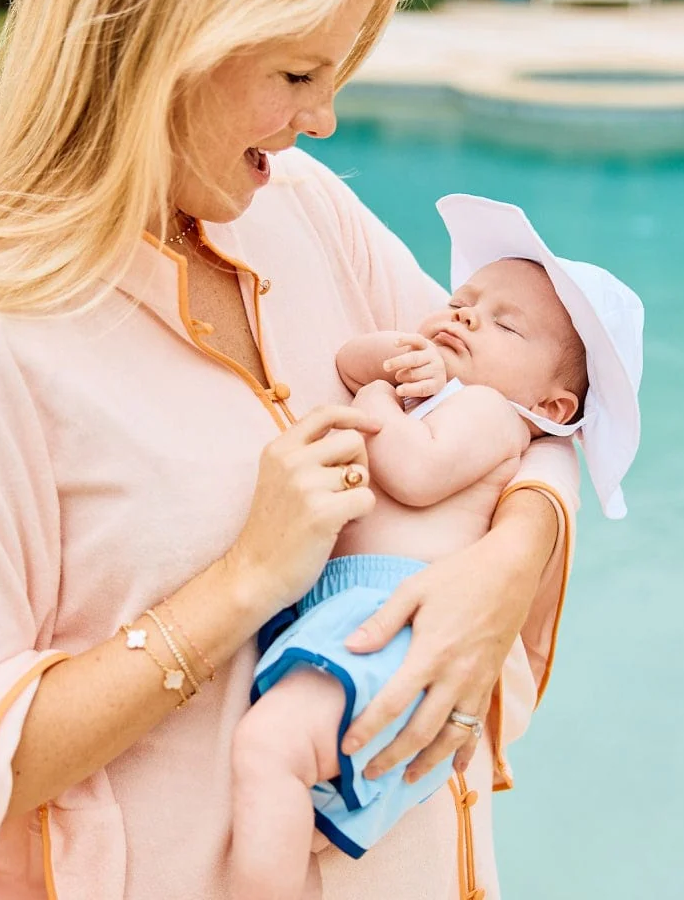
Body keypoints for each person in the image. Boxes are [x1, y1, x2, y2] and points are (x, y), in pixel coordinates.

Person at [0, 0, 582, 898]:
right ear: (159, 41)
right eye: (300, 72)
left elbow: (544, 409)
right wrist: (240, 586)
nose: (323, 119)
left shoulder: (307, 215)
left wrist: (508, 568)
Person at [230, 196, 643, 898]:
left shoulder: (493, 416)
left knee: (268, 750)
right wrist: (403, 357)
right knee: (289, 812)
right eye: (462, 303)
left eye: (504, 325)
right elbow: (347, 358)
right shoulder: (443, 393)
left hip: (397, 615)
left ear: (552, 407)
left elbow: (415, 474)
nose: (465, 318)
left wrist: (382, 402)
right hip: (354, 612)